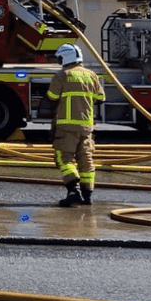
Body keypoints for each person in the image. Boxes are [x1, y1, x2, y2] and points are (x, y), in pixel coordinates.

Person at [47, 43, 105, 207]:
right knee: (85, 159)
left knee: (64, 158)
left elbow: (52, 96)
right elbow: (100, 98)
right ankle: (87, 195)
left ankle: (73, 191)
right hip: (86, 127)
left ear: (65, 58)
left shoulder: (62, 75)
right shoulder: (91, 75)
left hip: (66, 126)